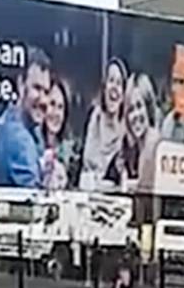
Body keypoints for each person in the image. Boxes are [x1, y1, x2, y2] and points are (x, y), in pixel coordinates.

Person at [0, 46, 53, 187]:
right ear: (21, 85)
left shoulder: (19, 123)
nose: (43, 100)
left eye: (46, 92)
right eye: (37, 88)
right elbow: (34, 196)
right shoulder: (18, 138)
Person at [80, 58, 130, 190]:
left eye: (119, 83)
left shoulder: (127, 130)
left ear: (123, 93)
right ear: (104, 87)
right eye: (111, 80)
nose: (114, 87)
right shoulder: (93, 119)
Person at [122, 73, 163, 188]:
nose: (135, 115)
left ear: (148, 107)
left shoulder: (153, 144)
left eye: (139, 106)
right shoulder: (139, 148)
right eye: (131, 110)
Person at [39, 77, 77, 192]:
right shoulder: (32, 146)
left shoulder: (70, 153)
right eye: (52, 104)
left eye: (60, 107)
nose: (56, 113)